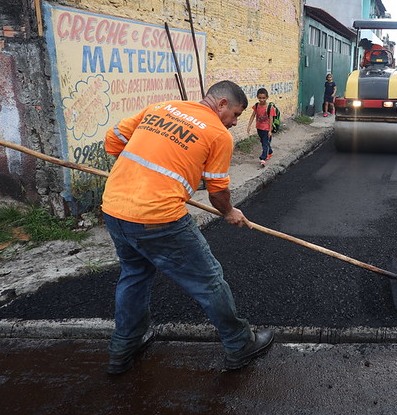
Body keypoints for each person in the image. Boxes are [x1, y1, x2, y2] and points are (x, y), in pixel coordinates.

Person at [101, 80, 273, 375]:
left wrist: (144, 173)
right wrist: (229, 212)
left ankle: (123, 348)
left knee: (134, 276)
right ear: (221, 104)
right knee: (208, 281)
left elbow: (112, 140)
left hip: (115, 208)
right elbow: (219, 193)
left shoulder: (162, 107)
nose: (233, 123)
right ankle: (239, 344)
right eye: (234, 115)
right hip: (160, 219)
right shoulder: (218, 134)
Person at [246, 88, 275, 167]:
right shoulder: (256, 106)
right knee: (263, 142)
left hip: (266, 128)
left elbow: (271, 119)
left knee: (265, 143)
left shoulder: (270, 107)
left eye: (263, 98)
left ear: (267, 97)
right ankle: (270, 152)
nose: (262, 100)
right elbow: (253, 116)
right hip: (259, 128)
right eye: (260, 98)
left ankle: (263, 158)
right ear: (257, 97)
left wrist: (270, 130)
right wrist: (249, 125)